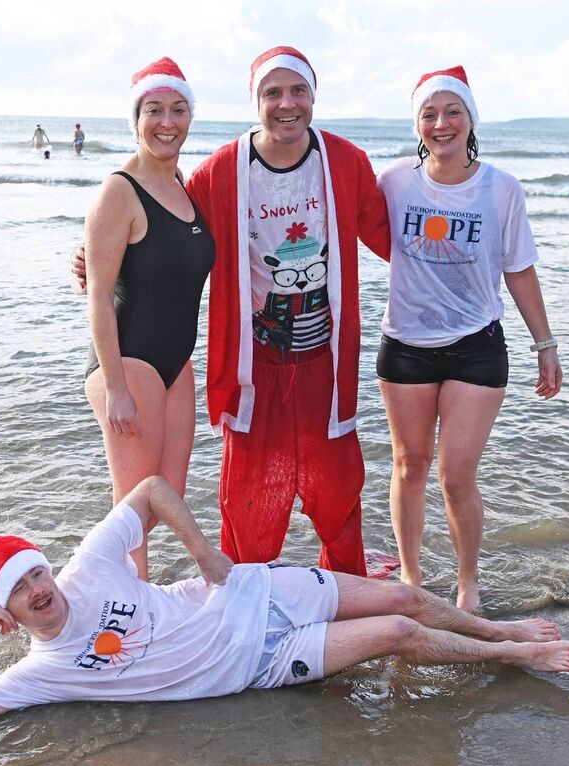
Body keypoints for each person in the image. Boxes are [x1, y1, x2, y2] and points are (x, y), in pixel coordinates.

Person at [0, 475, 569, 735]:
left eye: (37, 572)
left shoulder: (88, 567)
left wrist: (208, 555)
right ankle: (518, 652)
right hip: (265, 660)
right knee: (391, 630)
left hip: (254, 589)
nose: (41, 590)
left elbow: (152, 490)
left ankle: (492, 626)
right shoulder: (40, 671)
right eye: (19, 591)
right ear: (6, 614)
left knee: (402, 594)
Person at [74, 46, 391, 577]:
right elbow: (148, 218)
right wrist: (90, 256)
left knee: (336, 488)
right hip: (252, 363)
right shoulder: (222, 170)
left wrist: (445, 195)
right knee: (243, 501)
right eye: (273, 93)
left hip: (323, 360)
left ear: (313, 97)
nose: (286, 104)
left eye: (298, 92)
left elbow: (390, 234)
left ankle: (344, 585)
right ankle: (195, 598)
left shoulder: (345, 161)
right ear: (256, 102)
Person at [375, 67, 563, 612]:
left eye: (452, 112)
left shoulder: (500, 188)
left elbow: (520, 269)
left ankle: (467, 583)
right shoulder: (395, 182)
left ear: (470, 120)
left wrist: (544, 344)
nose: (441, 124)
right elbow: (343, 221)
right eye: (429, 115)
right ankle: (410, 578)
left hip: (477, 345)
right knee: (409, 464)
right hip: (406, 346)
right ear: (418, 125)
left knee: (455, 475)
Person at [82, 57, 214, 580]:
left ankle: (103, 586)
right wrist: (115, 386)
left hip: (176, 364)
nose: (167, 121)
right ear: (136, 119)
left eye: (178, 110)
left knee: (166, 498)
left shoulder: (183, 186)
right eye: (154, 109)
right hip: (127, 361)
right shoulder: (120, 190)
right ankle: (129, 611)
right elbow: (97, 296)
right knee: (132, 505)